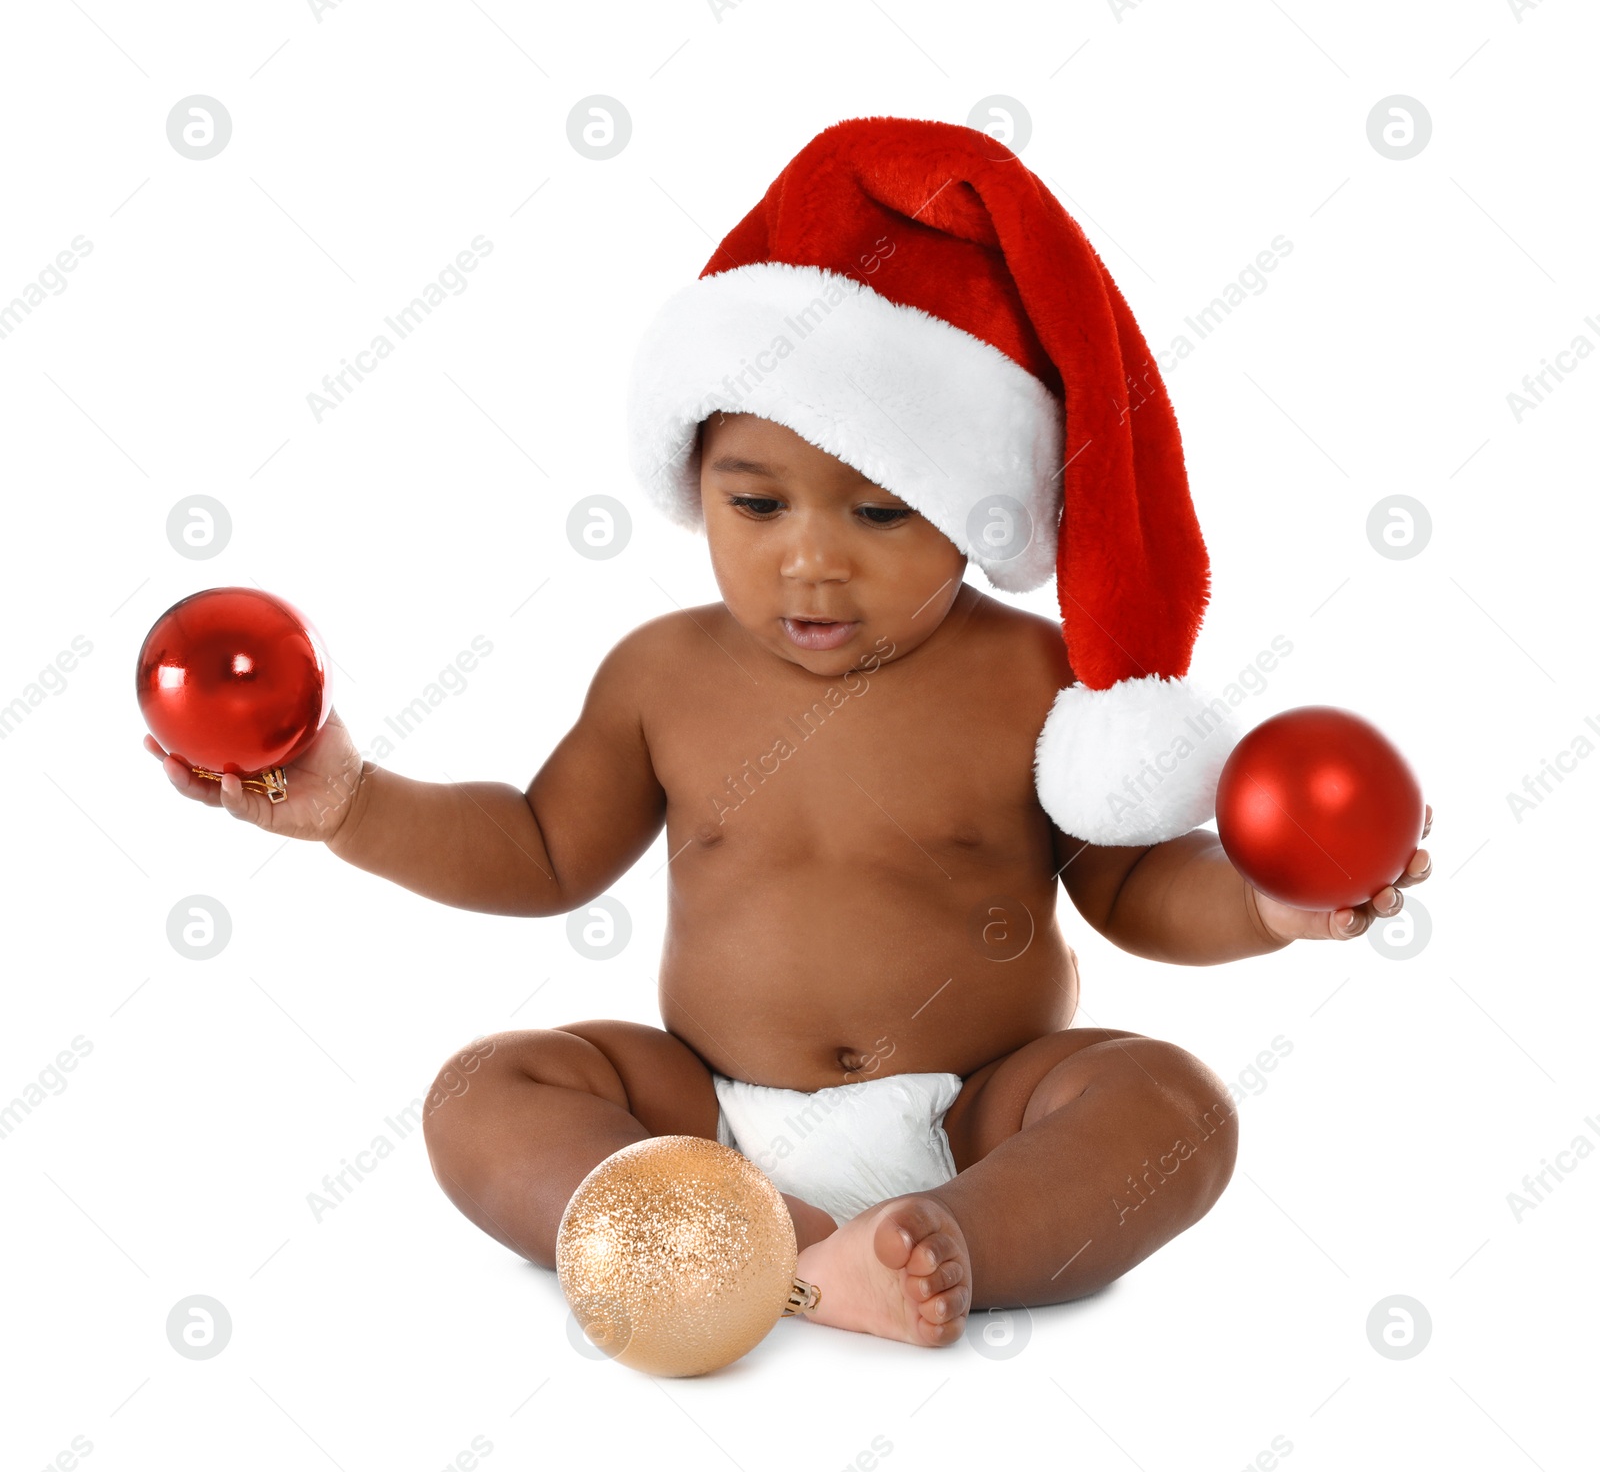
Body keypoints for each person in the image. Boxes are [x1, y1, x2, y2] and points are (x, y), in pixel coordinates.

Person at [145, 117, 1431, 1349]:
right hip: (701, 1112)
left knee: (1171, 1107)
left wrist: (1267, 906)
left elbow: (1133, 886)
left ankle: (940, 1240)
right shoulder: (659, 673)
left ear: (970, 507)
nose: (809, 561)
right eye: (754, 502)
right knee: (485, 1092)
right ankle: (767, 1240)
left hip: (983, 1109)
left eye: (878, 514)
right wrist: (354, 803)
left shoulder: (1033, 675)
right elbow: (542, 851)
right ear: (691, 480)